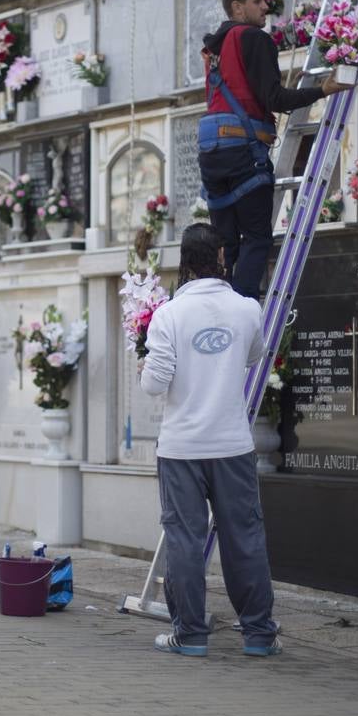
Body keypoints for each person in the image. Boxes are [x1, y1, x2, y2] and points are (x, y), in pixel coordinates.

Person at [139, 223, 281, 658]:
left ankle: (190, 635)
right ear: (221, 257)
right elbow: (254, 356)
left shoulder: (168, 315)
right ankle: (258, 635)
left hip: (181, 447)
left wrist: (148, 361)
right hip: (232, 444)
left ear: (184, 261)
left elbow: (154, 384)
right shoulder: (247, 309)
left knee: (184, 538)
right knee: (244, 535)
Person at [200, 0, 352, 299]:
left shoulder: (214, 48)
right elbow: (275, 99)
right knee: (256, 238)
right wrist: (322, 90)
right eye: (257, 1)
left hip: (211, 152)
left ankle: (216, 307)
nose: (265, 7)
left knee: (226, 243)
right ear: (237, 8)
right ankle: (241, 310)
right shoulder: (253, 38)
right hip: (242, 149)